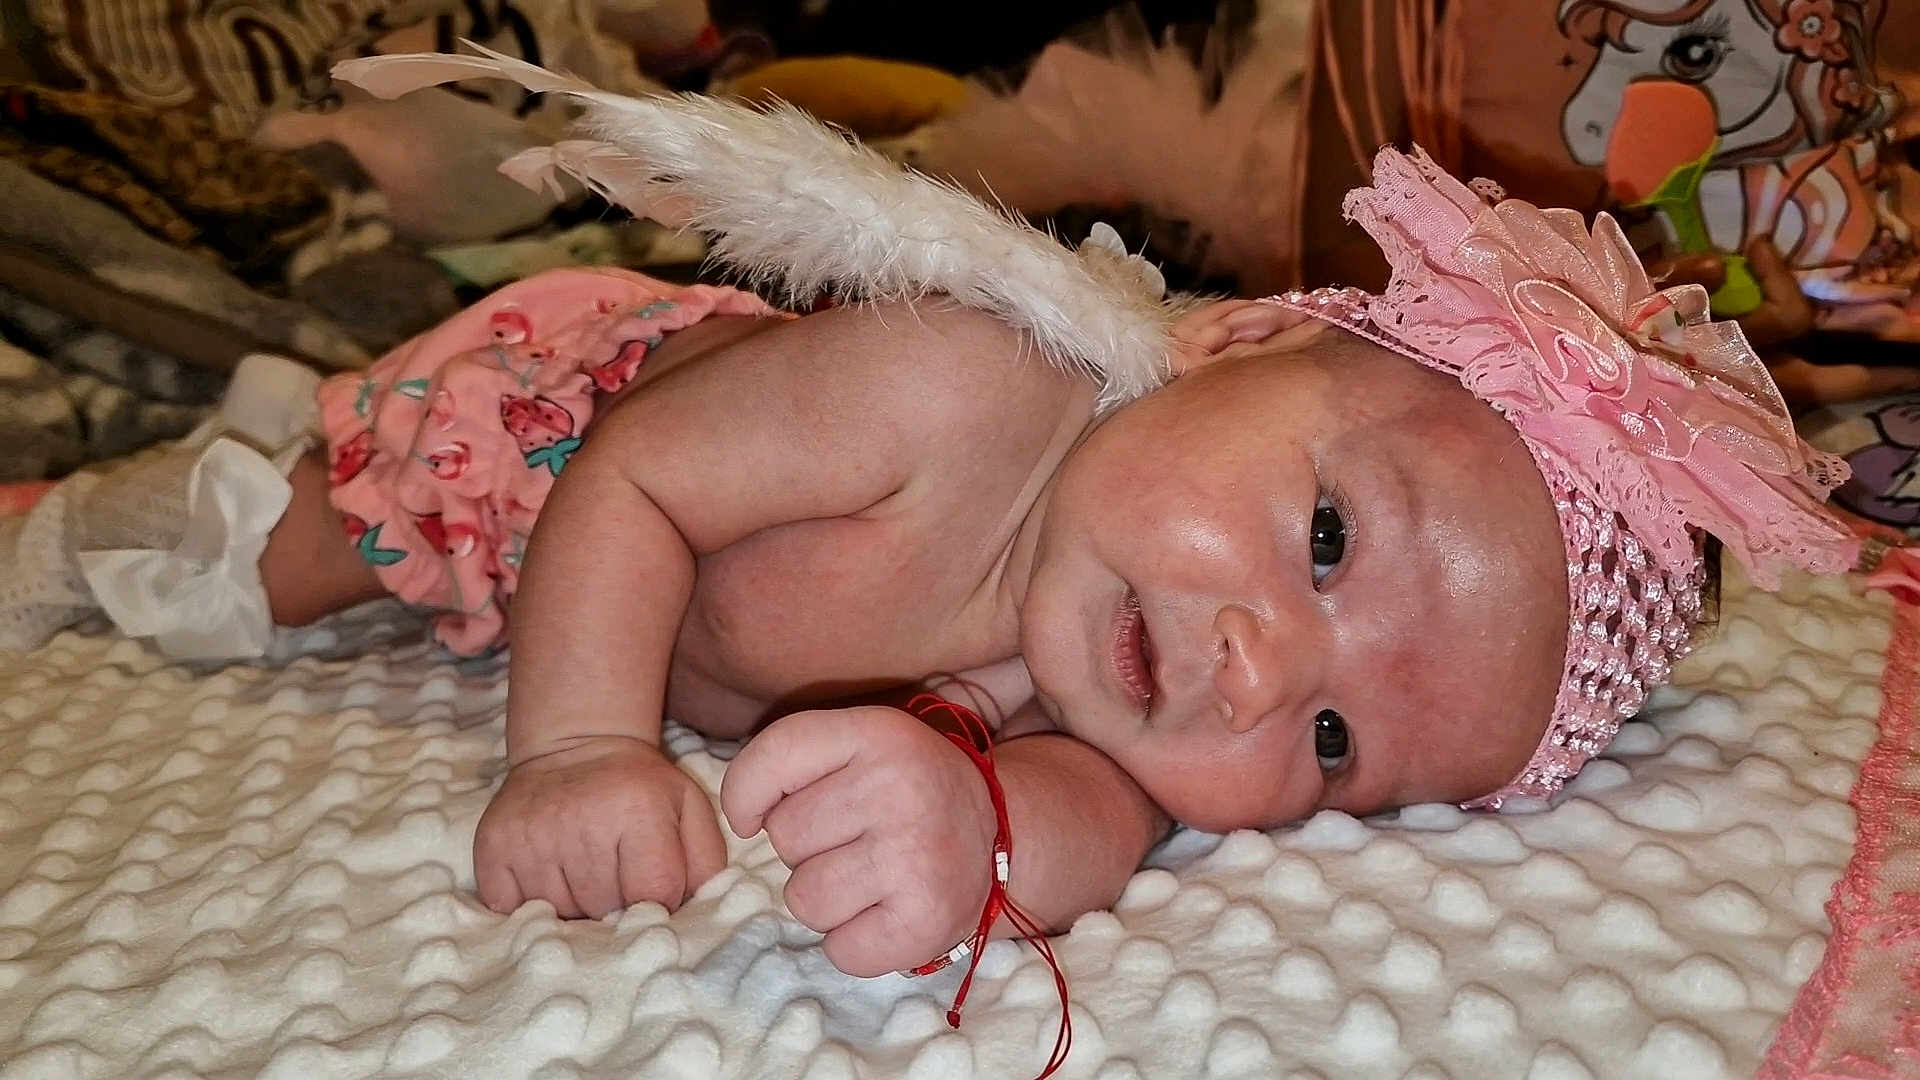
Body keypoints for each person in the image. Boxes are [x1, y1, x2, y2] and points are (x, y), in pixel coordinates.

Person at [0, 49, 1860, 983]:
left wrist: (974, 833)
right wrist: (577, 747)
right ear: (1245, 343)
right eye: (1323, 543)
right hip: (557, 444)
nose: (1250, 668)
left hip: (661, 540)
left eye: (1331, 742)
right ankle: (102, 514)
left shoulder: (1140, 687)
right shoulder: (955, 386)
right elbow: (634, 483)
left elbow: (1091, 823)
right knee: (281, 561)